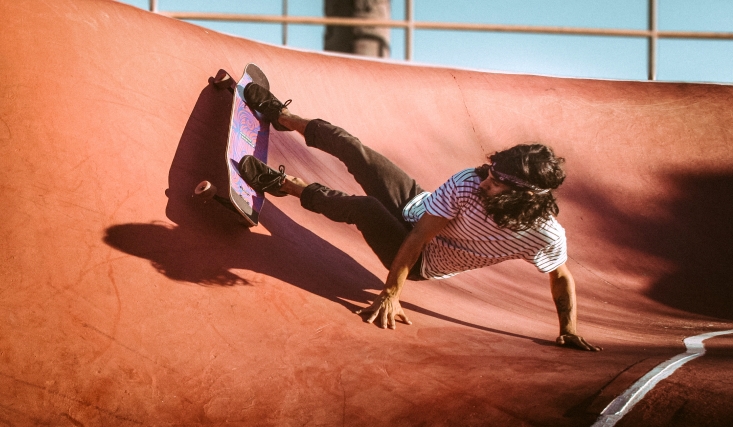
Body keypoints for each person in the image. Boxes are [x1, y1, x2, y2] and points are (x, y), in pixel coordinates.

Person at [238, 83, 600, 352]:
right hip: (417, 209)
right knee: (356, 150)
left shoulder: (544, 234)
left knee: (365, 209)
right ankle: (282, 117)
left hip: (424, 260)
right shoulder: (468, 183)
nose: (486, 180)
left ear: (525, 194)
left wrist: (567, 328)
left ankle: (285, 184)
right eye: (491, 169)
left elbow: (560, 275)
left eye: (499, 181)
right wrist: (390, 292)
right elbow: (420, 230)